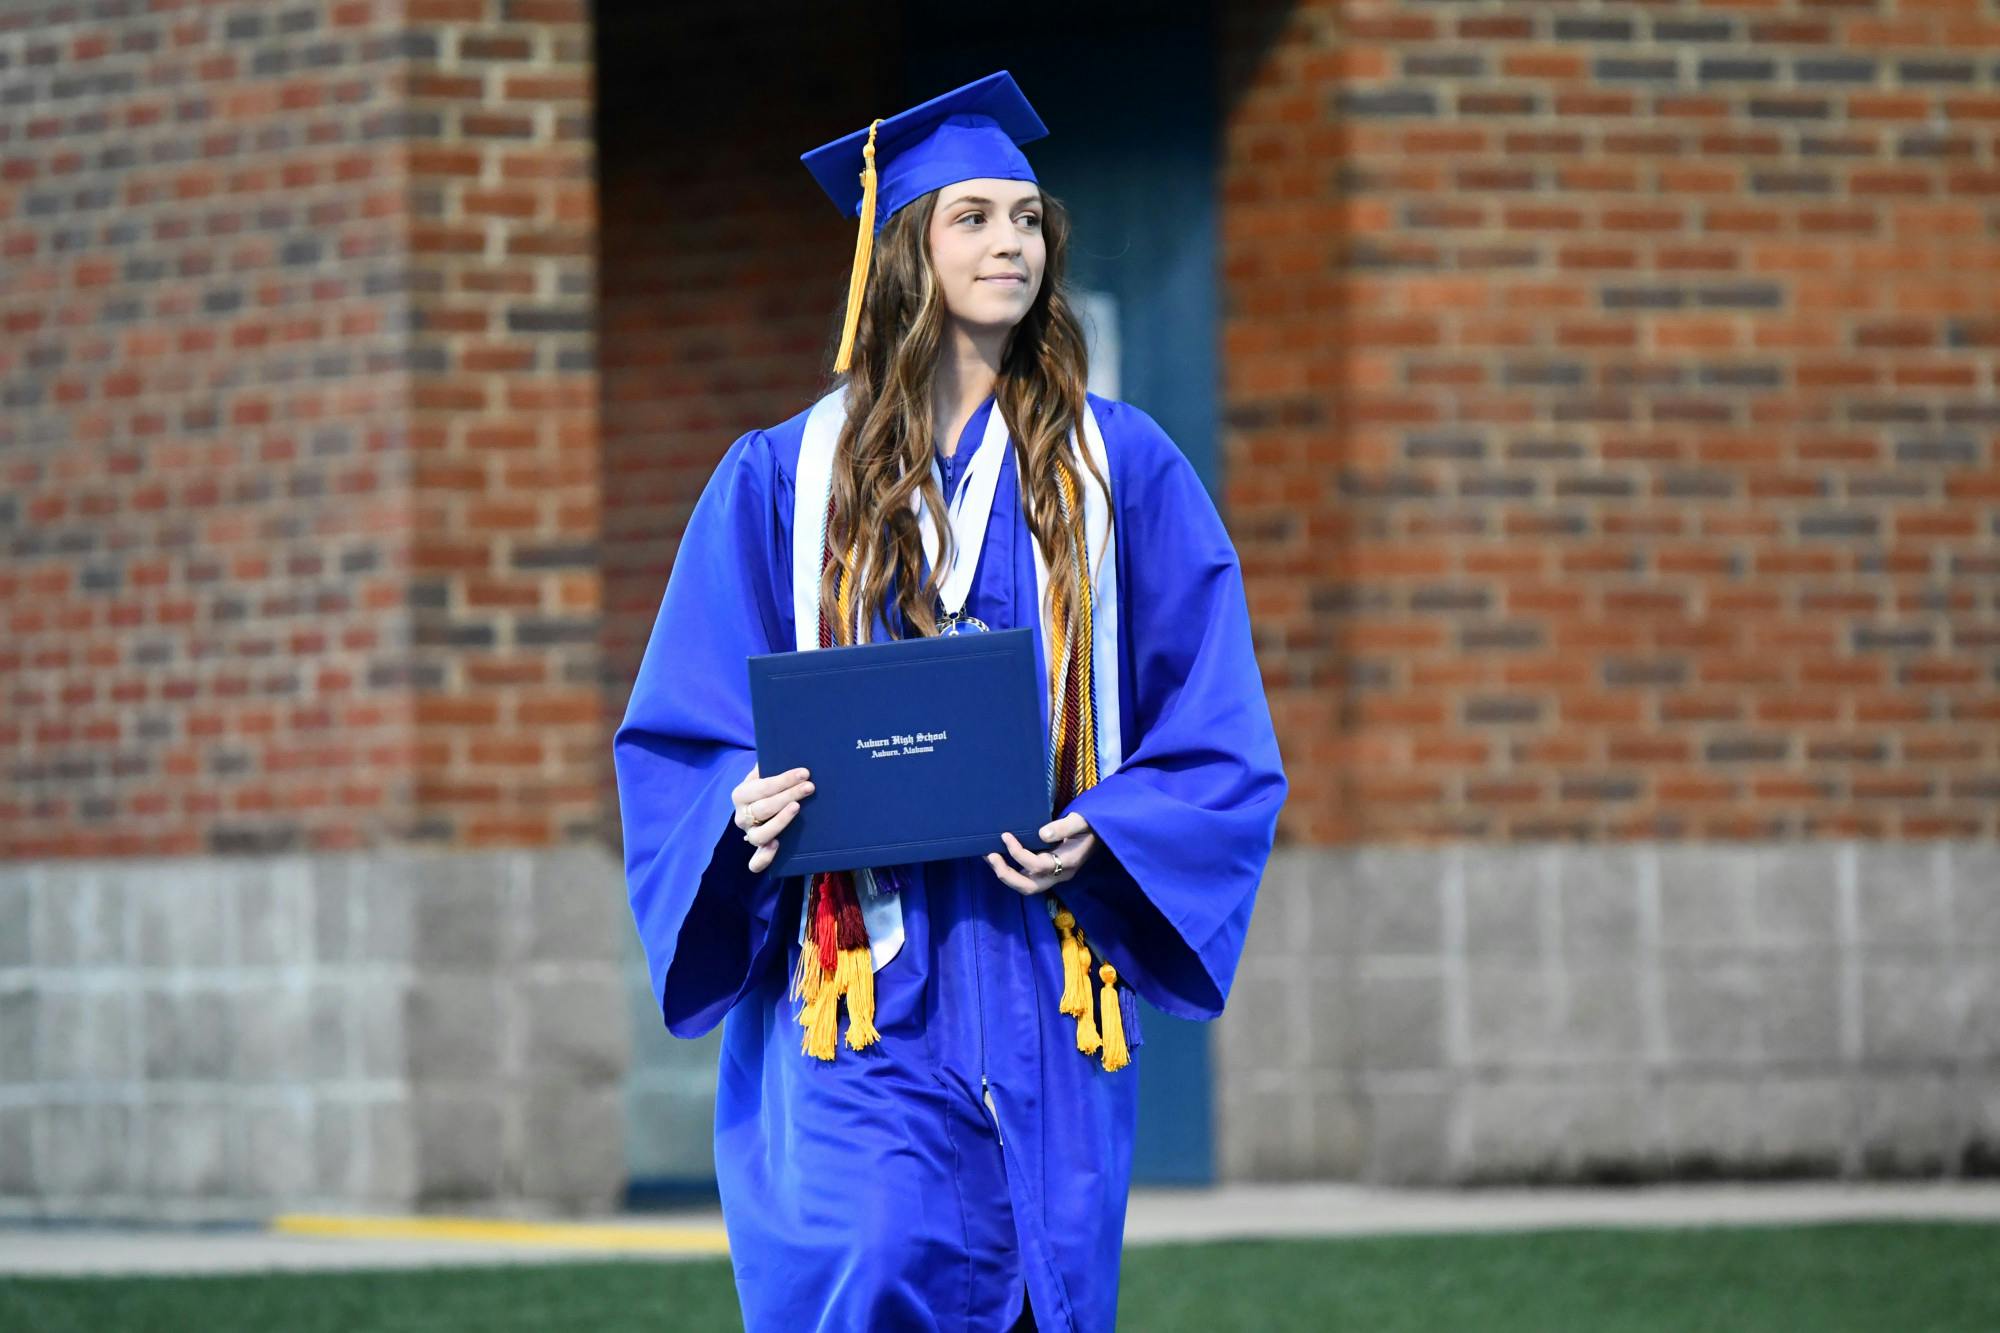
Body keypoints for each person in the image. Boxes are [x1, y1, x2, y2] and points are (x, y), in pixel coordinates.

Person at [613, 70, 1286, 1333]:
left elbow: (1211, 719)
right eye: (971, 216)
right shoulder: (778, 480)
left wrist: (1116, 825)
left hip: (1043, 971)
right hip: (862, 983)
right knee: (873, 1260)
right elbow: (682, 726)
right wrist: (735, 806)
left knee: (1044, 1287)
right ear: (906, 255)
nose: (1011, 244)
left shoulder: (1116, 467)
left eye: (1027, 219)